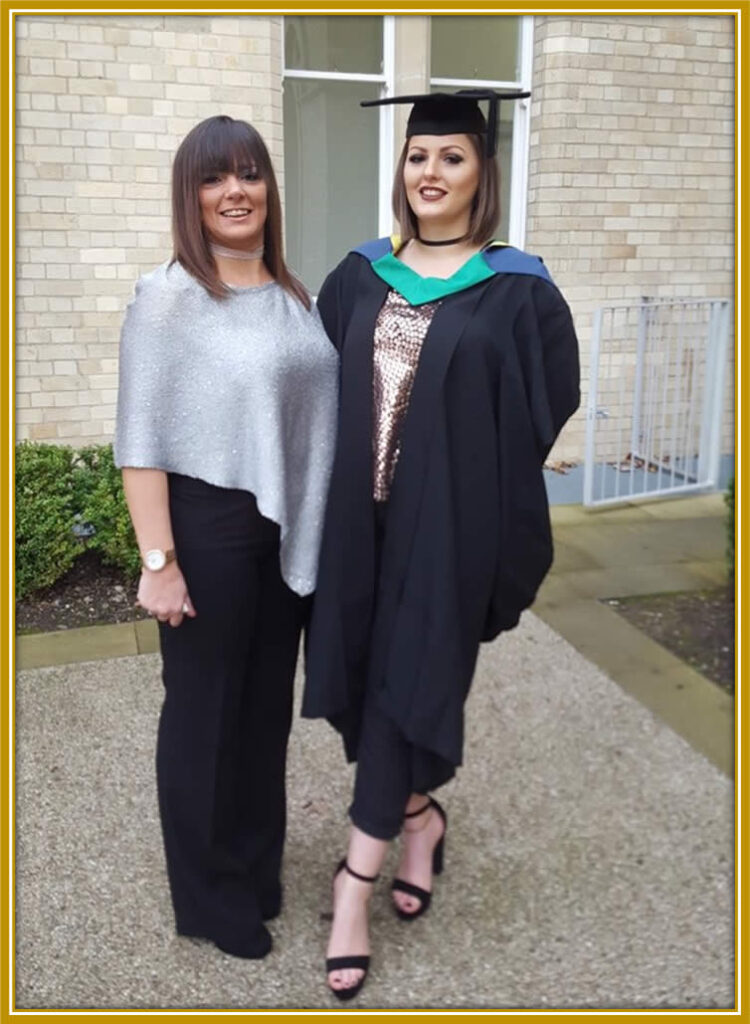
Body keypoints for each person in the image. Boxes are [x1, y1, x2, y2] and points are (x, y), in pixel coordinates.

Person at [301, 90, 581, 998]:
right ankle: (419, 820)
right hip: (357, 531)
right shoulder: (359, 272)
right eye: (420, 156)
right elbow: (316, 384)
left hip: (445, 534)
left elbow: (548, 399)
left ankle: (353, 884)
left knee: (406, 689)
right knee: (356, 688)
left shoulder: (516, 289)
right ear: (403, 169)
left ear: (482, 174)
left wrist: (465, 475)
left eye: (452, 158)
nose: (432, 173)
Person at [114, 115, 338, 960]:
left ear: (269, 189)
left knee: (261, 716)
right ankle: (207, 898)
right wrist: (159, 563)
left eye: (249, 174)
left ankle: (253, 866)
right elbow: (141, 441)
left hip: (282, 532)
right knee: (206, 716)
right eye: (214, 179)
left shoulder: (291, 292)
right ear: (191, 197)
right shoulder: (167, 298)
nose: (235, 191)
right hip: (207, 530)